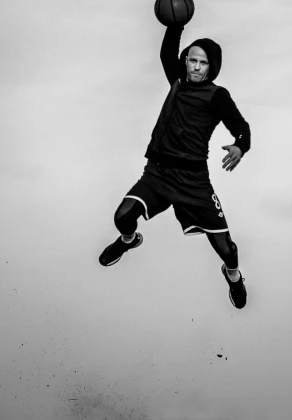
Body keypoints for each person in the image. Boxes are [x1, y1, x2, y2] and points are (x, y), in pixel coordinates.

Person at [98, 23, 252, 309]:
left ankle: (233, 276)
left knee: (227, 250)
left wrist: (240, 146)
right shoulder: (178, 82)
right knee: (122, 217)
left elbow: (241, 127)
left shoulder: (217, 95)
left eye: (202, 62)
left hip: (193, 181)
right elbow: (166, 52)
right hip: (157, 172)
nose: (195, 67)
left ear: (211, 67)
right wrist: (176, 24)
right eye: (192, 60)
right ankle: (128, 240)